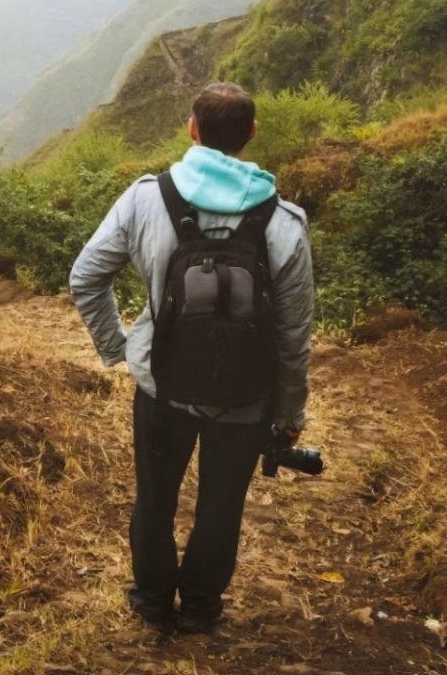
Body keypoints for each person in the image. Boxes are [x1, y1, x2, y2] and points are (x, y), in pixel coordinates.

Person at [69, 82, 314, 633]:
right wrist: (290, 412)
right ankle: (201, 607)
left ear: (192, 130)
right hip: (246, 398)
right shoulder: (285, 223)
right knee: (221, 505)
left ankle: (153, 601)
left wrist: (119, 348)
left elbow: (86, 277)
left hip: (163, 386)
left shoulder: (145, 199)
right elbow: (294, 332)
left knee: (155, 499)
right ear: (252, 132)